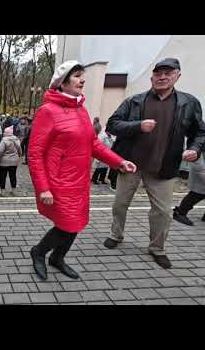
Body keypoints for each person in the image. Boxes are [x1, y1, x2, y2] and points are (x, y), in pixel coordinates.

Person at [28, 60, 136, 281]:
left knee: (75, 223)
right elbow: (35, 154)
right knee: (66, 225)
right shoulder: (47, 111)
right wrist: (43, 188)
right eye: (77, 75)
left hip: (79, 181)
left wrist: (118, 162)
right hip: (58, 183)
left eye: (82, 75)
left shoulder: (81, 109)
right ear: (62, 82)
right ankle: (39, 252)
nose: (82, 80)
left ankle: (58, 257)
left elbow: (93, 144)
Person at [103, 57, 205, 269]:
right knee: (120, 204)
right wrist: (138, 125)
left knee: (163, 212)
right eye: (158, 73)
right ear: (152, 77)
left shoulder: (189, 103)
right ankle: (116, 234)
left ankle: (157, 248)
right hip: (131, 165)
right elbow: (112, 125)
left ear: (177, 76)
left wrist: (195, 149)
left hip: (164, 168)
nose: (163, 77)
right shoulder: (135, 101)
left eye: (168, 73)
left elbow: (199, 132)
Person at [173, 153, 205, 226]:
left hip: (200, 169)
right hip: (200, 171)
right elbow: (199, 167)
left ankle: (181, 212)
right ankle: (180, 213)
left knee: (197, 194)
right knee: (196, 195)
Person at [0, 124, 22, 197]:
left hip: (4, 162)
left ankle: (2, 191)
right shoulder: (16, 139)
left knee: (3, 176)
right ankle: (14, 191)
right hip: (14, 162)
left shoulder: (4, 140)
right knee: (13, 176)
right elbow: (20, 149)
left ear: (6, 133)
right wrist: (19, 155)